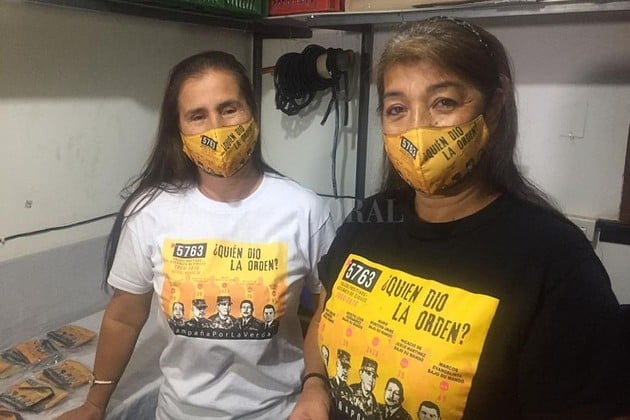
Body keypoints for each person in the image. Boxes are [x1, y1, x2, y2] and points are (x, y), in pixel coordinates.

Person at [291, 17, 630, 420]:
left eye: (444, 103)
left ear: (494, 108)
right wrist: (315, 386)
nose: (418, 128)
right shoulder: (368, 219)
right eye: (397, 109)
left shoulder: (556, 261)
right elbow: (323, 320)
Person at [56, 50, 335, 420]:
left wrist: (316, 384)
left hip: (280, 412)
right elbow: (124, 317)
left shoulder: (304, 209)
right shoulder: (150, 213)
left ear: (252, 113)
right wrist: (94, 404)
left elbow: (330, 310)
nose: (216, 127)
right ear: (179, 130)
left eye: (228, 109)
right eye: (197, 116)